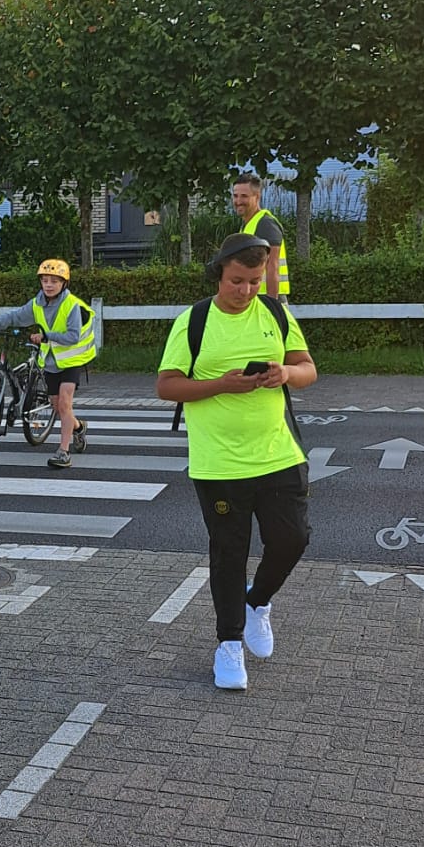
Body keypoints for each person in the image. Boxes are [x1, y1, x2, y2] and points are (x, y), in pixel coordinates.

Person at [155, 232, 316, 691]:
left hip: (278, 452)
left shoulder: (276, 313)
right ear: (219, 276)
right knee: (230, 553)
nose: (245, 290)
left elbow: (308, 369)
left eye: (253, 280)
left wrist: (285, 373)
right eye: (235, 281)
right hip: (219, 462)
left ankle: (258, 601)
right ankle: (229, 643)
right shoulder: (195, 321)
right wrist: (222, 385)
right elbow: (166, 387)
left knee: (293, 540)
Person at [0, 256, 96, 468]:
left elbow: (73, 336)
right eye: (45, 280)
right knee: (58, 406)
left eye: (54, 281)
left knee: (64, 403)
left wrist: (46, 336)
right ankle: (78, 427)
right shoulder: (37, 304)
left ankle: (63, 452)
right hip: (51, 362)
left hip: (72, 359)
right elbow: (14, 316)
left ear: (64, 283)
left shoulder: (71, 305)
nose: (48, 285)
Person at [230, 172, 289, 298]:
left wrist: (272, 305)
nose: (238, 201)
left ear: (257, 197)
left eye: (244, 196)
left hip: (268, 298)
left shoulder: (265, 224)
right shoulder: (248, 225)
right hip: (253, 296)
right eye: (235, 196)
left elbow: (273, 267)